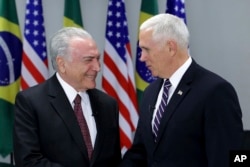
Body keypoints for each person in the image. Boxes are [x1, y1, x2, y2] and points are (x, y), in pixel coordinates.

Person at [120, 13, 243, 167]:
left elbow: (227, 157)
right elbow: (141, 151)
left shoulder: (215, 91)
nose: (142, 57)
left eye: (146, 49)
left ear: (171, 48)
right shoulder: (150, 92)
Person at [14, 27, 121, 167]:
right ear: (62, 64)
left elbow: (114, 161)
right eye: (88, 60)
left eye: (97, 59)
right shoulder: (30, 102)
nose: (97, 67)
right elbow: (28, 161)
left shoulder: (108, 104)